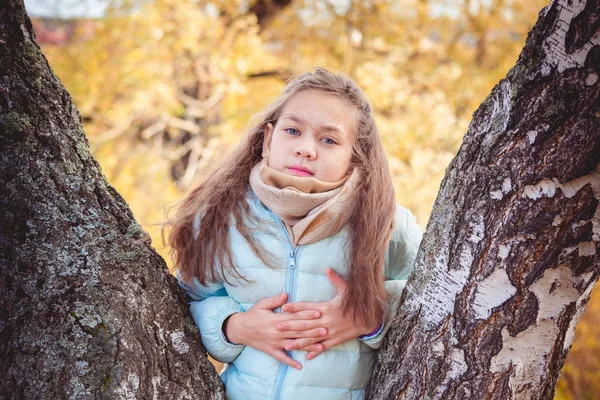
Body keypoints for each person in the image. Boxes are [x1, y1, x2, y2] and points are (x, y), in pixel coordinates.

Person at [165, 67, 422, 400]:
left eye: (329, 140)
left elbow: (433, 303)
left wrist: (372, 317)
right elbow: (189, 301)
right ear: (268, 140)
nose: (306, 149)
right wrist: (234, 326)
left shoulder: (386, 223)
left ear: (355, 156)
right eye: (293, 131)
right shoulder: (220, 217)